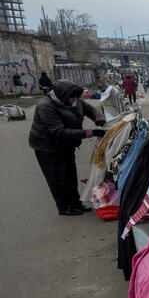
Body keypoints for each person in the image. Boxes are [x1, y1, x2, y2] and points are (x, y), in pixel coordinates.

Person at [28, 80, 107, 215]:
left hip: (66, 144)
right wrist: (90, 132)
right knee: (57, 178)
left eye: (76, 97)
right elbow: (59, 131)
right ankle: (64, 207)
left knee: (70, 174)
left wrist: (97, 118)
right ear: (62, 96)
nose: (74, 100)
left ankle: (76, 202)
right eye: (72, 98)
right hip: (47, 147)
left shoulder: (73, 100)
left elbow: (89, 109)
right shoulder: (45, 106)